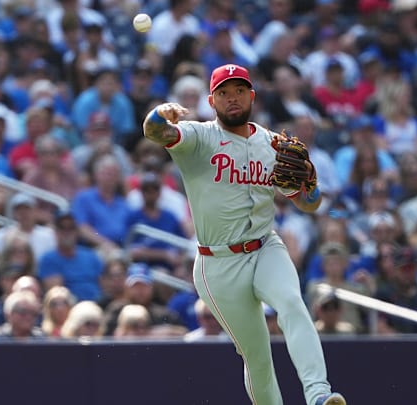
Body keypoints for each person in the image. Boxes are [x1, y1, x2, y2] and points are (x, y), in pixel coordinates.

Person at [142, 64, 346, 405]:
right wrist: (159, 114)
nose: (232, 99)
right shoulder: (198, 137)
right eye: (223, 93)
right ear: (212, 101)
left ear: (251, 95)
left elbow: (309, 204)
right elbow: (155, 132)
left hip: (266, 246)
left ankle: (318, 395)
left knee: (293, 304)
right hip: (218, 264)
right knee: (257, 355)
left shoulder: (273, 143)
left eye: (238, 91)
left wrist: (310, 187)